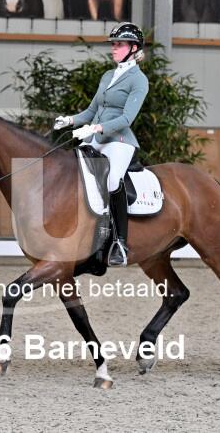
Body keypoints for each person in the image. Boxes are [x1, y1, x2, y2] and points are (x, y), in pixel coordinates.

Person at [53, 22, 149, 267]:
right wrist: (70, 120)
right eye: (113, 44)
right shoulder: (108, 76)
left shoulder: (139, 80)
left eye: (119, 44)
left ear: (133, 48)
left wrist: (96, 128)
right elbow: (91, 110)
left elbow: (126, 119)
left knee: (112, 180)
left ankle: (119, 242)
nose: (113, 48)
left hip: (119, 141)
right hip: (94, 139)